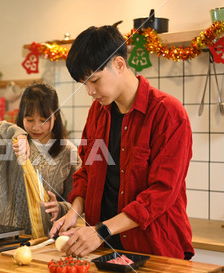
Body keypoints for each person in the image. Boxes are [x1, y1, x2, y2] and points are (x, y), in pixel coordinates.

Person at [49, 23, 194, 260]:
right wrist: (73, 213)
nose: (90, 91)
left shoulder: (167, 113)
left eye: (94, 80)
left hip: (155, 252)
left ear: (119, 64)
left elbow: (161, 193)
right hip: (103, 250)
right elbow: (87, 172)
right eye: (84, 84)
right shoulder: (98, 113)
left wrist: (101, 231)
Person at [0, 83, 81, 234]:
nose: (36, 127)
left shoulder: (68, 152)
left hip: (48, 241)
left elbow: (77, 204)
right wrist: (15, 132)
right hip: (7, 237)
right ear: (22, 117)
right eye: (29, 119)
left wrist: (60, 208)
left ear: (56, 115)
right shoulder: (11, 144)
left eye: (43, 120)